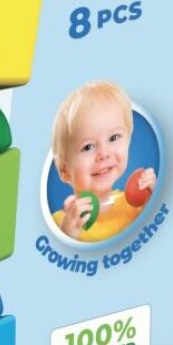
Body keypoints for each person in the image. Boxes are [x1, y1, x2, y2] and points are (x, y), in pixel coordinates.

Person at [51, 80, 155, 242]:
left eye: (113, 138)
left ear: (128, 141)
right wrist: (66, 237)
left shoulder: (134, 206)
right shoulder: (60, 224)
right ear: (64, 169)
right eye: (88, 147)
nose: (104, 154)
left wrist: (154, 200)